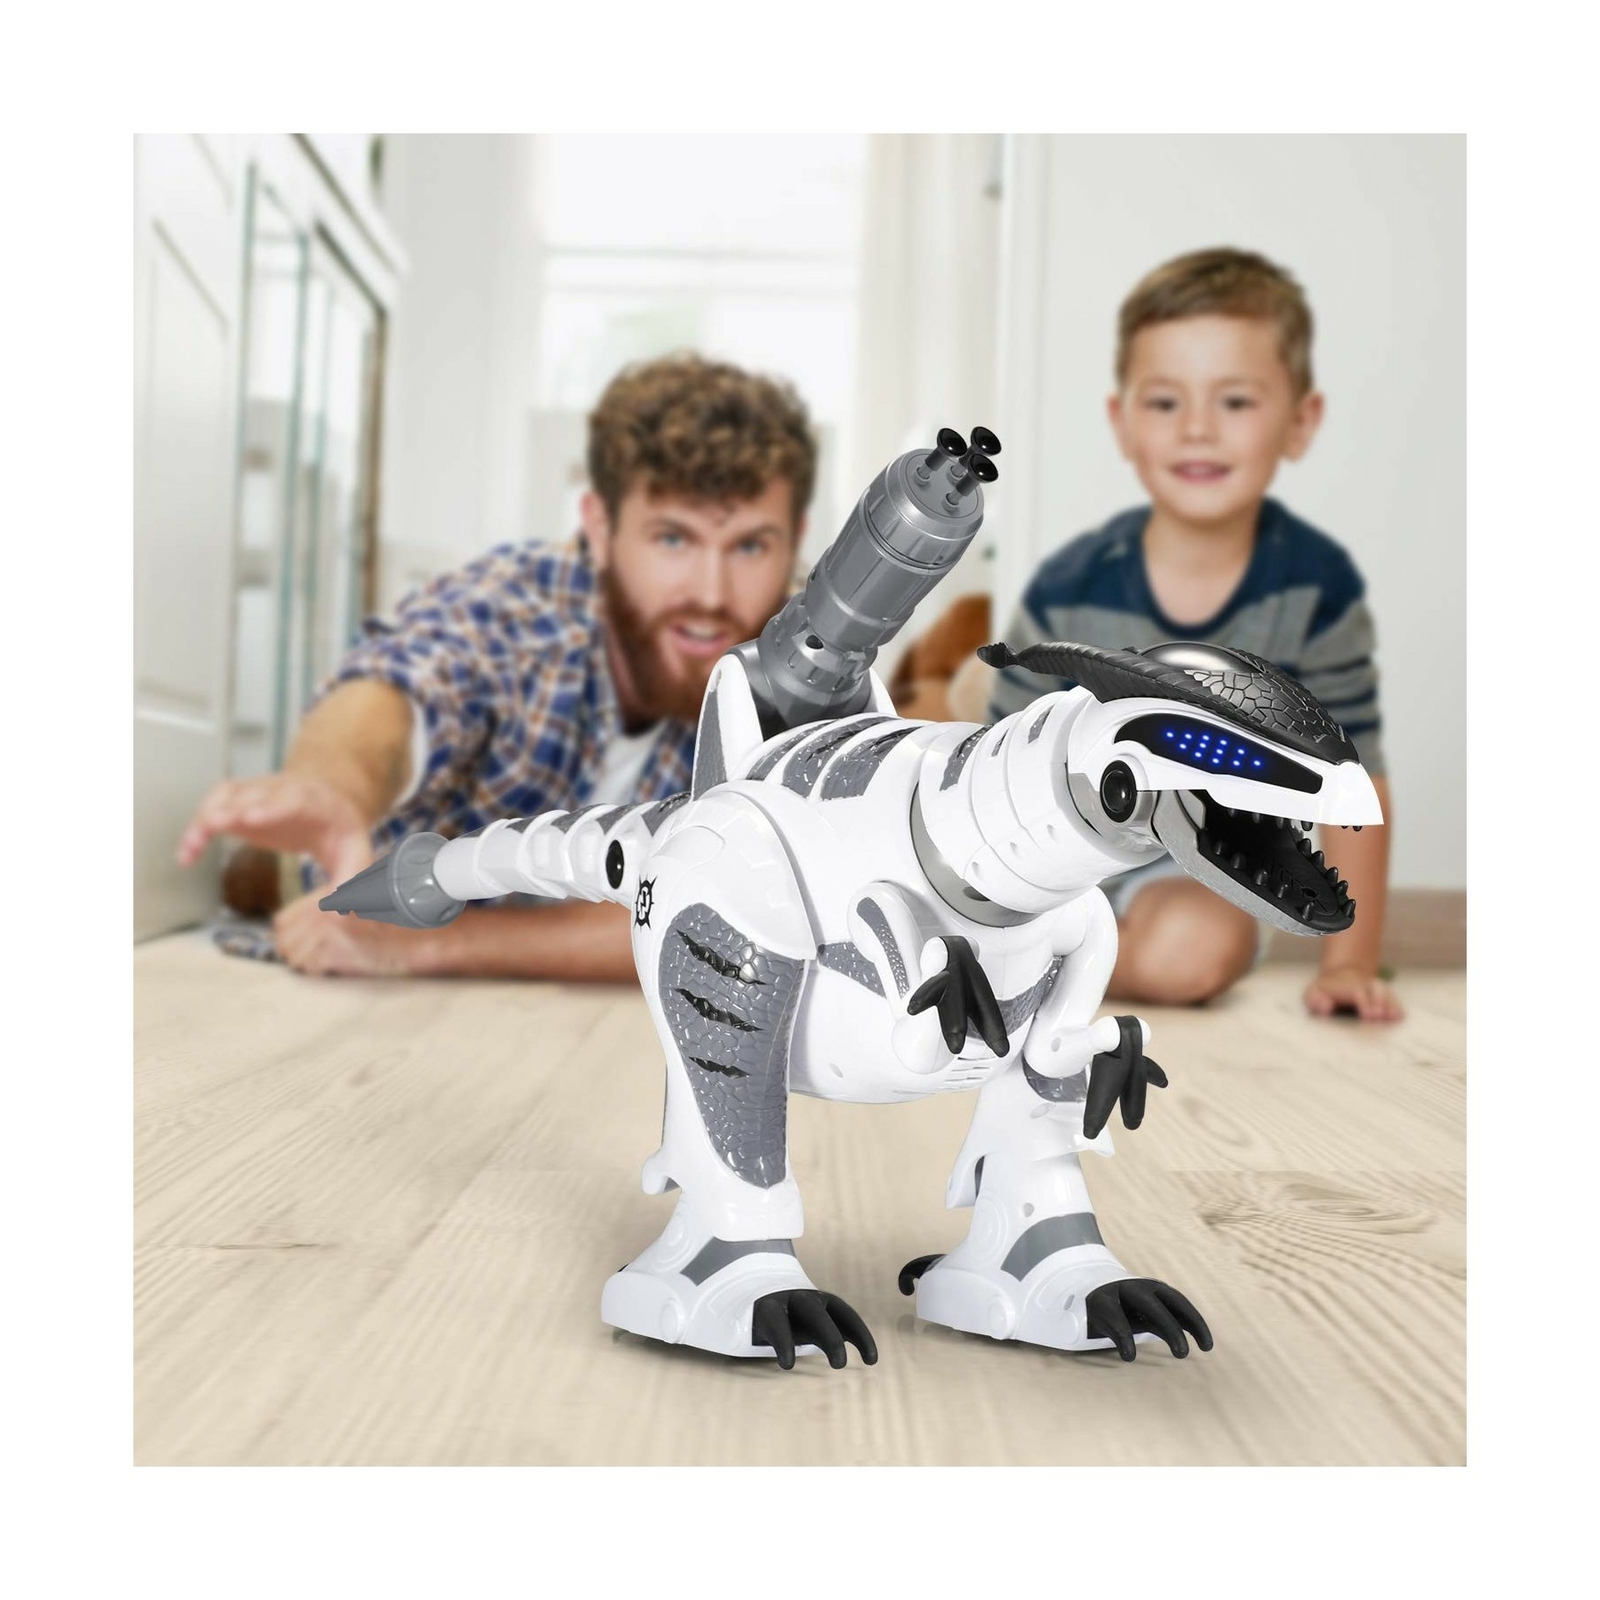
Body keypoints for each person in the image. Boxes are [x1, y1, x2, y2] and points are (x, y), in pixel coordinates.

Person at [178, 354, 816, 980]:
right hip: (366, 871)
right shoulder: (521, 605)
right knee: (251, 879)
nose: (710, 593)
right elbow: (401, 688)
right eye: (672, 539)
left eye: (751, 546)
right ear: (599, 529)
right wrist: (331, 787)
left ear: (795, 540)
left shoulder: (809, 674)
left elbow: (742, 914)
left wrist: (428, 947)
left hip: (487, 920)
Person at [986, 248, 1401, 1022]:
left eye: (1235, 401)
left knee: (1195, 949)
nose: (1199, 429)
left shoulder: (1318, 590)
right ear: (1123, 422)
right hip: (1057, 846)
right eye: (1165, 402)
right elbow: (998, 760)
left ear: (1301, 421)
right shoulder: (1066, 589)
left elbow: (1357, 782)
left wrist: (1349, 964)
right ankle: (1034, 952)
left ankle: (1042, 969)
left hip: (1187, 872)